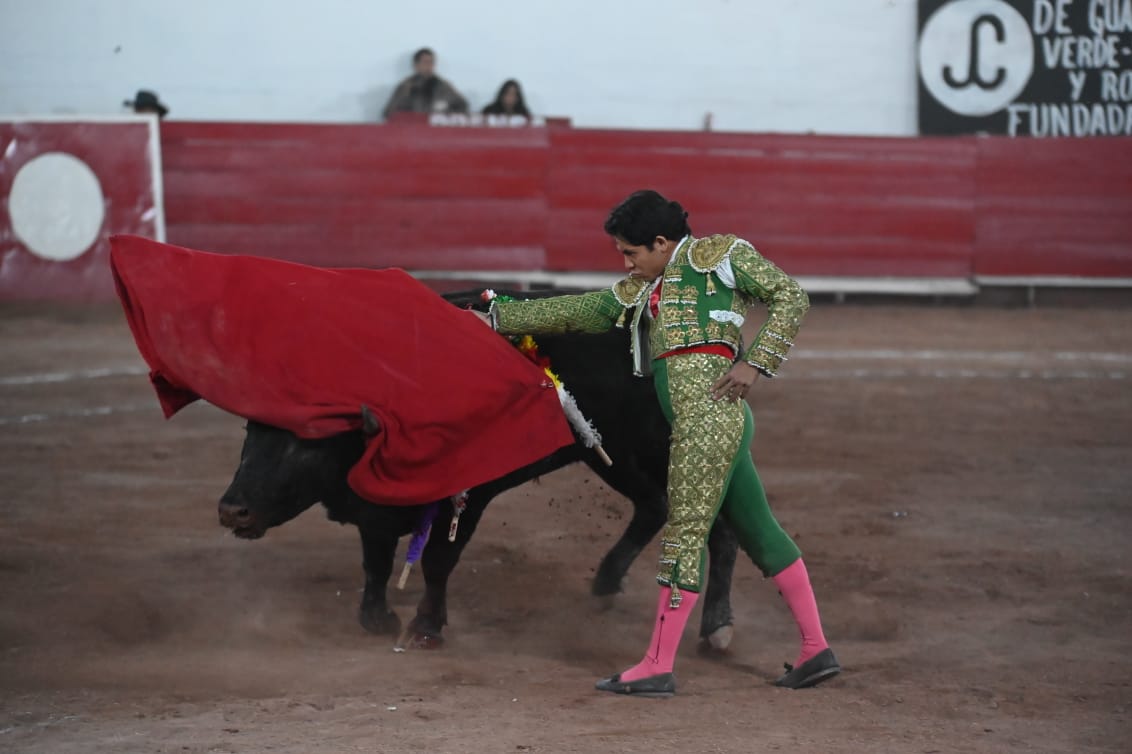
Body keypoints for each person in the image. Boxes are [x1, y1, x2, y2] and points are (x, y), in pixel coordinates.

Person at [478, 190, 840, 696]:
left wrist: (754, 363)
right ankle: (815, 649)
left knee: (685, 535)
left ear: (662, 242)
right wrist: (503, 315)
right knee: (757, 531)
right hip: (713, 419)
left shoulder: (721, 255)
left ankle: (656, 664)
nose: (626, 262)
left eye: (631, 252)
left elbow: (790, 296)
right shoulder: (645, 287)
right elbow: (584, 309)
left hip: (705, 418)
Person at [382, 47, 468, 119]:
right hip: (411, 132)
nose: (429, 66)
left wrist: (446, 114)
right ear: (416, 65)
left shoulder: (444, 87)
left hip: (439, 133)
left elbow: (462, 106)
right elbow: (389, 113)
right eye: (425, 62)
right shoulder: (406, 87)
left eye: (432, 62)